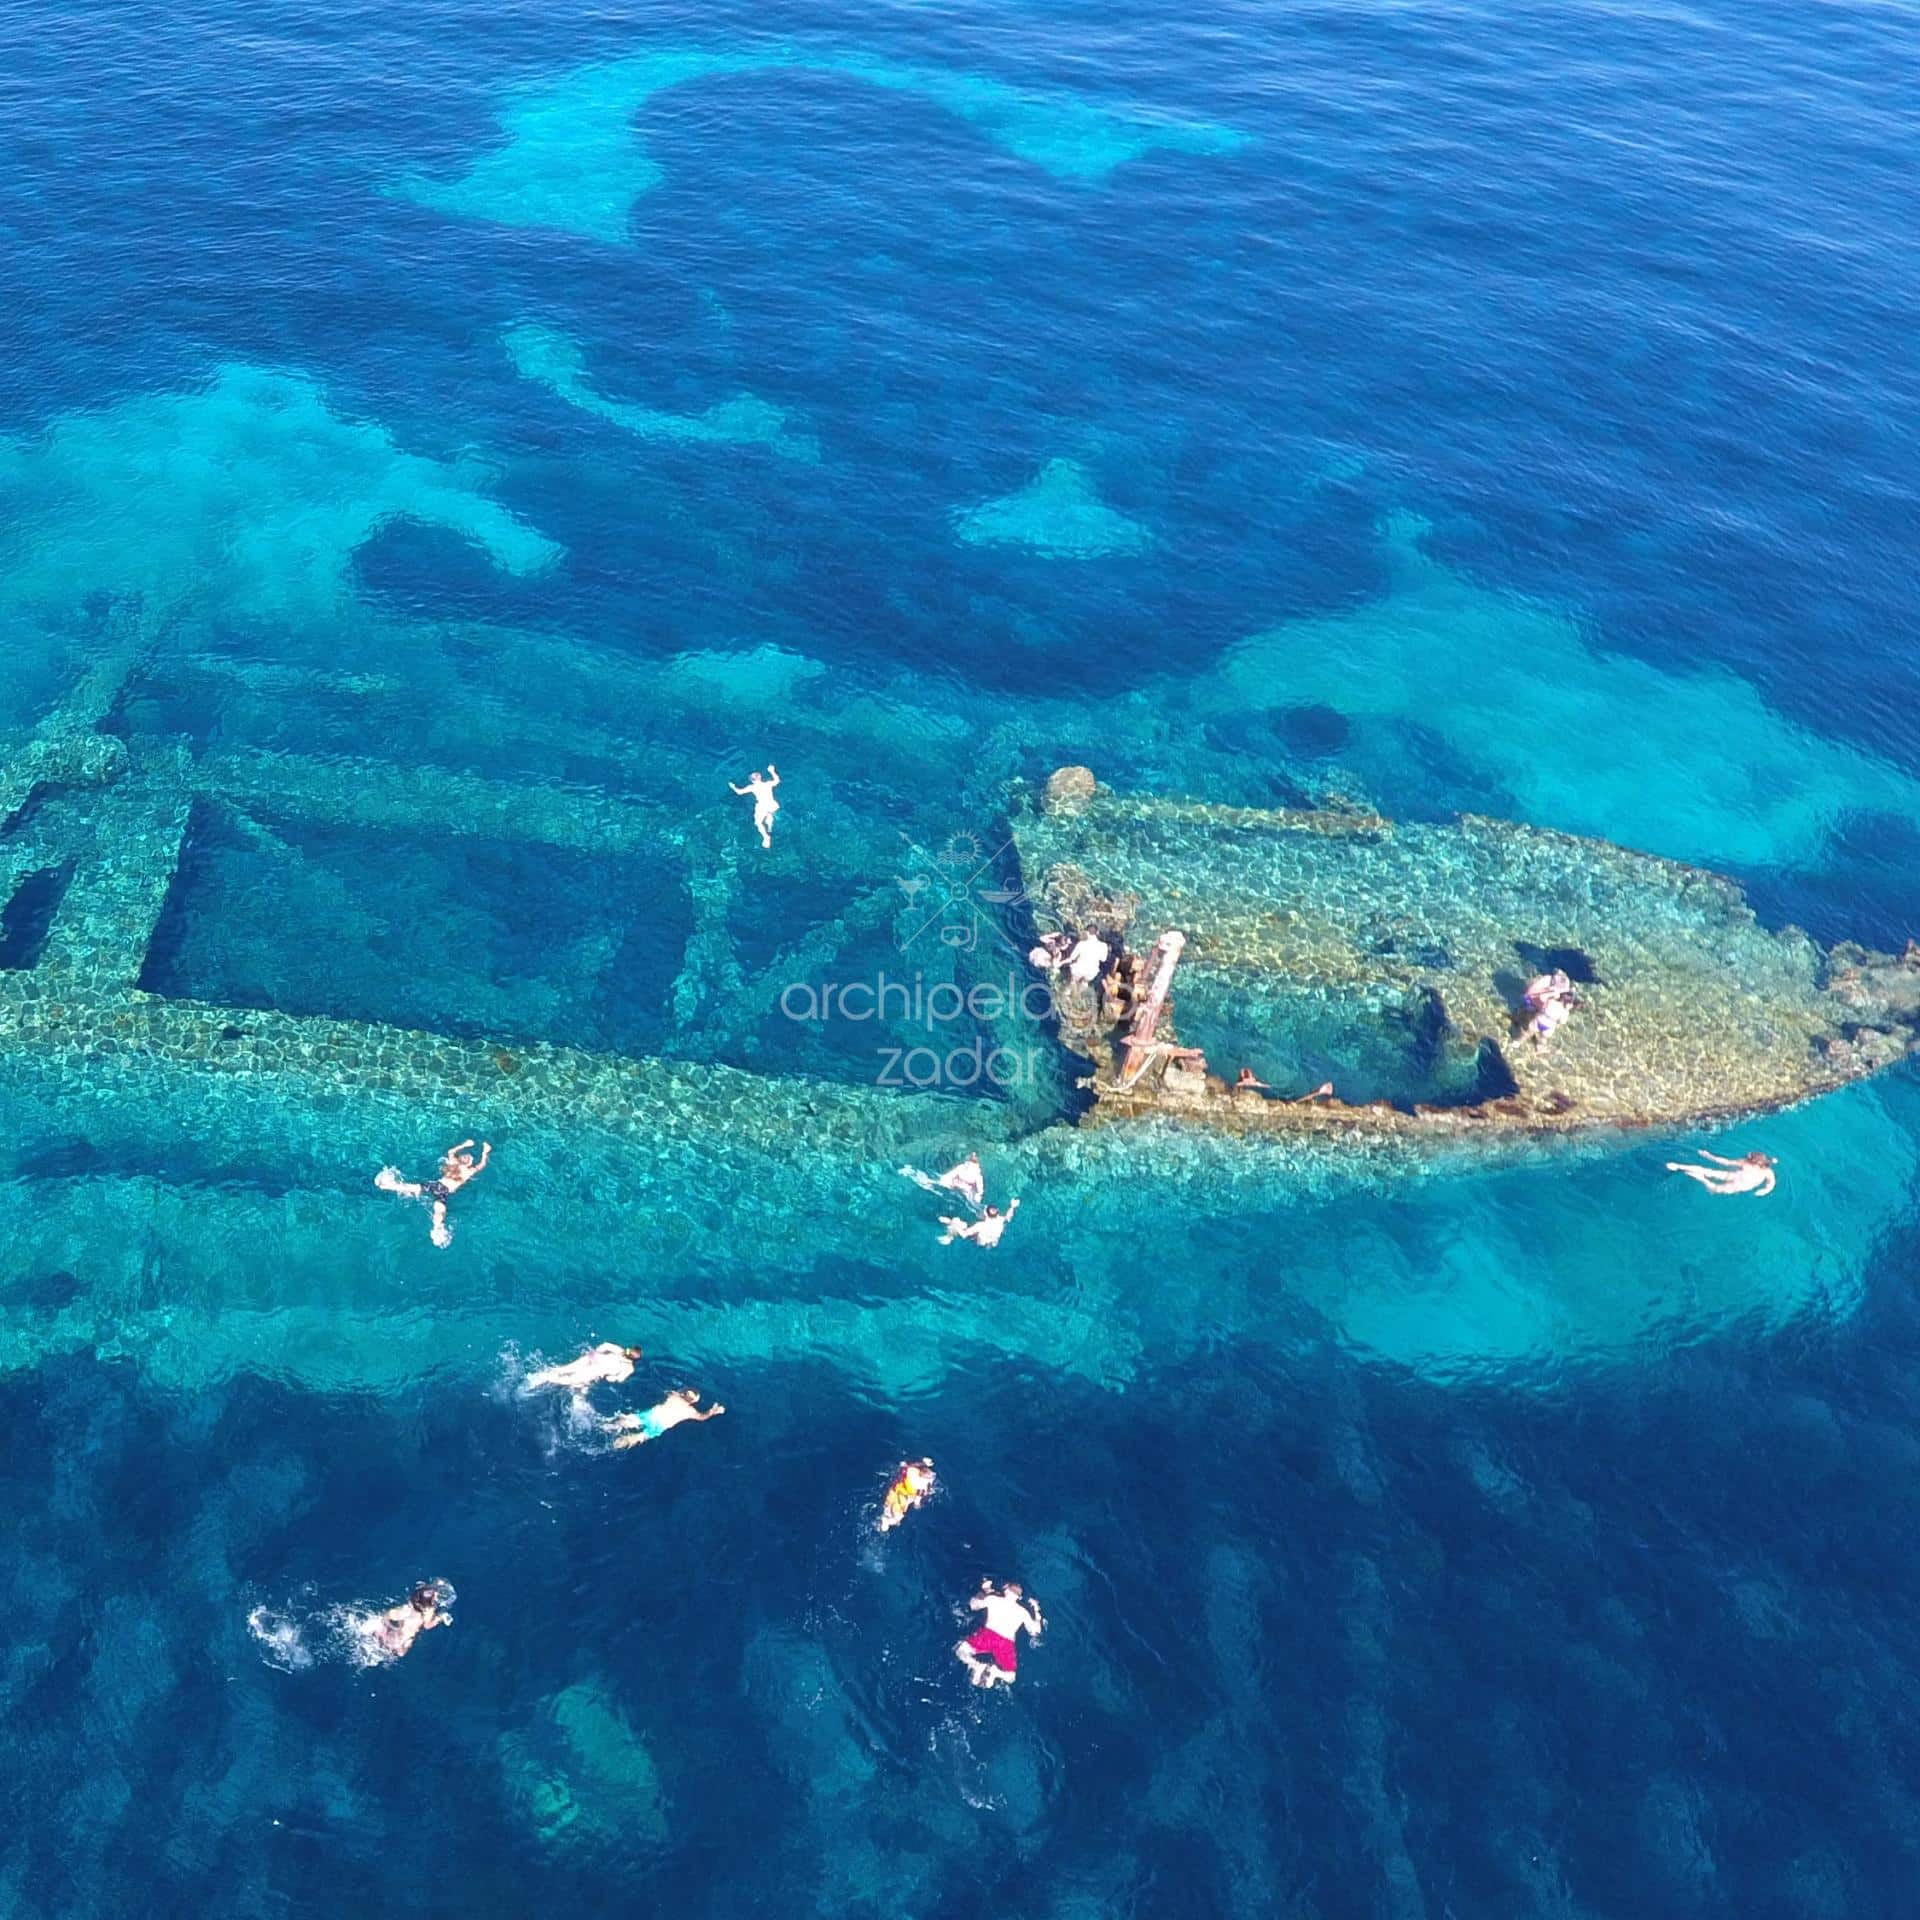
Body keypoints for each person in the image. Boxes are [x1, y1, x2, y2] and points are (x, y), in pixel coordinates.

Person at [374, 1139, 492, 1248]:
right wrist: (485, 1152)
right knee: (437, 1207)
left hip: (436, 1186)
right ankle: (389, 1186)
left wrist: (466, 1145)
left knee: (433, 1204)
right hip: (441, 1190)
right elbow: (481, 1165)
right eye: (468, 1156)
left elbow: (451, 1151)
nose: (469, 1157)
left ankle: (437, 1228)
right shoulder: (466, 1171)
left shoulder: (457, 1165)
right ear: (467, 1161)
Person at [955, 1578, 1044, 1690]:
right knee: (1011, 1677)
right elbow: (1035, 1631)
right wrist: (1036, 1611)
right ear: (1018, 1598)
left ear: (1006, 1590)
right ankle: (996, 1672)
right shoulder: (1023, 1613)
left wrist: (985, 1590)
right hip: (1006, 1644)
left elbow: (973, 1604)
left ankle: (975, 1664)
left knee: (960, 1651)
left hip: (988, 1635)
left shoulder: (993, 1599)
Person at [606, 1387, 726, 1451]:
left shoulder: (674, 1396)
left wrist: (679, 1392)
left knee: (627, 1421)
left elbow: (667, 1391)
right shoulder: (691, 1411)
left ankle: (606, 1426)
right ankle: (613, 1446)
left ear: (684, 1393)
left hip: (651, 1415)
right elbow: (702, 1417)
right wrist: (713, 1411)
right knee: (636, 1438)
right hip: (659, 1426)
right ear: (693, 1402)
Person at [368, 1582, 451, 1662]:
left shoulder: (412, 1601)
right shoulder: (428, 1611)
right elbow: (427, 1626)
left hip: (397, 1624)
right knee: (401, 1653)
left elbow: (388, 1615)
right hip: (404, 1638)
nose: (436, 1594)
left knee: (387, 1621)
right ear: (430, 1602)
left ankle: (380, 1631)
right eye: (434, 1595)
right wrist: (441, 1617)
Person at [524, 1342, 643, 1393]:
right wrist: (612, 1376)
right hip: (595, 1369)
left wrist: (596, 1353)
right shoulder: (629, 1368)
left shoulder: (621, 1350)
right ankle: (542, 1377)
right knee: (569, 1380)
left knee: (564, 1369)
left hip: (592, 1357)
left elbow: (605, 1345)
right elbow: (617, 1379)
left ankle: (546, 1372)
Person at [1665, 1149, 1777, 1197]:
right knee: (1714, 1188)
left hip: (1739, 1183)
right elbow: (1724, 1161)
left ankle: (1701, 1178)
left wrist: (1764, 1191)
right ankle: (1679, 1166)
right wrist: (1708, 1155)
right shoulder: (1765, 1170)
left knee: (1712, 1183)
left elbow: (1771, 1184)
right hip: (1740, 1182)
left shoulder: (1764, 1170)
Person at [900, 1152, 985, 1213]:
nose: (968, 1165)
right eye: (968, 1163)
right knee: (931, 1182)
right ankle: (911, 1171)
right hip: (953, 1185)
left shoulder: (977, 1175)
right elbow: (950, 1175)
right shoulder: (961, 1167)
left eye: (971, 1164)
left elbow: (979, 1190)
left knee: (971, 1204)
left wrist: (976, 1199)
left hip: (966, 1191)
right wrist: (945, 1182)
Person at [878, 1458, 937, 1533]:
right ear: (924, 1480)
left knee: (887, 1508)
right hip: (902, 1499)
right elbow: (916, 1504)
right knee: (897, 1520)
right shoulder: (921, 1488)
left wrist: (923, 1462)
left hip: (894, 1490)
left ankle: (884, 1520)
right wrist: (919, 1505)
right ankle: (887, 1522)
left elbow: (905, 1465)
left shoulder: (911, 1470)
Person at [729, 764, 781, 850]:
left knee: (758, 823)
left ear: (752, 781)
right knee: (769, 814)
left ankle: (766, 837)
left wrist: (733, 787)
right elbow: (777, 780)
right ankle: (769, 827)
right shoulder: (767, 784)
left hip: (762, 806)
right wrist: (772, 771)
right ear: (760, 777)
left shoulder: (752, 787)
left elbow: (739, 792)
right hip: (771, 804)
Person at [939, 1198, 1019, 1247]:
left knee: (956, 1221)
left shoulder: (980, 1226)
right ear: (997, 1214)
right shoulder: (1000, 1220)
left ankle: (949, 1238)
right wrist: (1012, 1207)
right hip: (994, 1241)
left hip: (980, 1242)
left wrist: (951, 1223)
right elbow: (1008, 1218)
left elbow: (964, 1234)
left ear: (985, 1214)